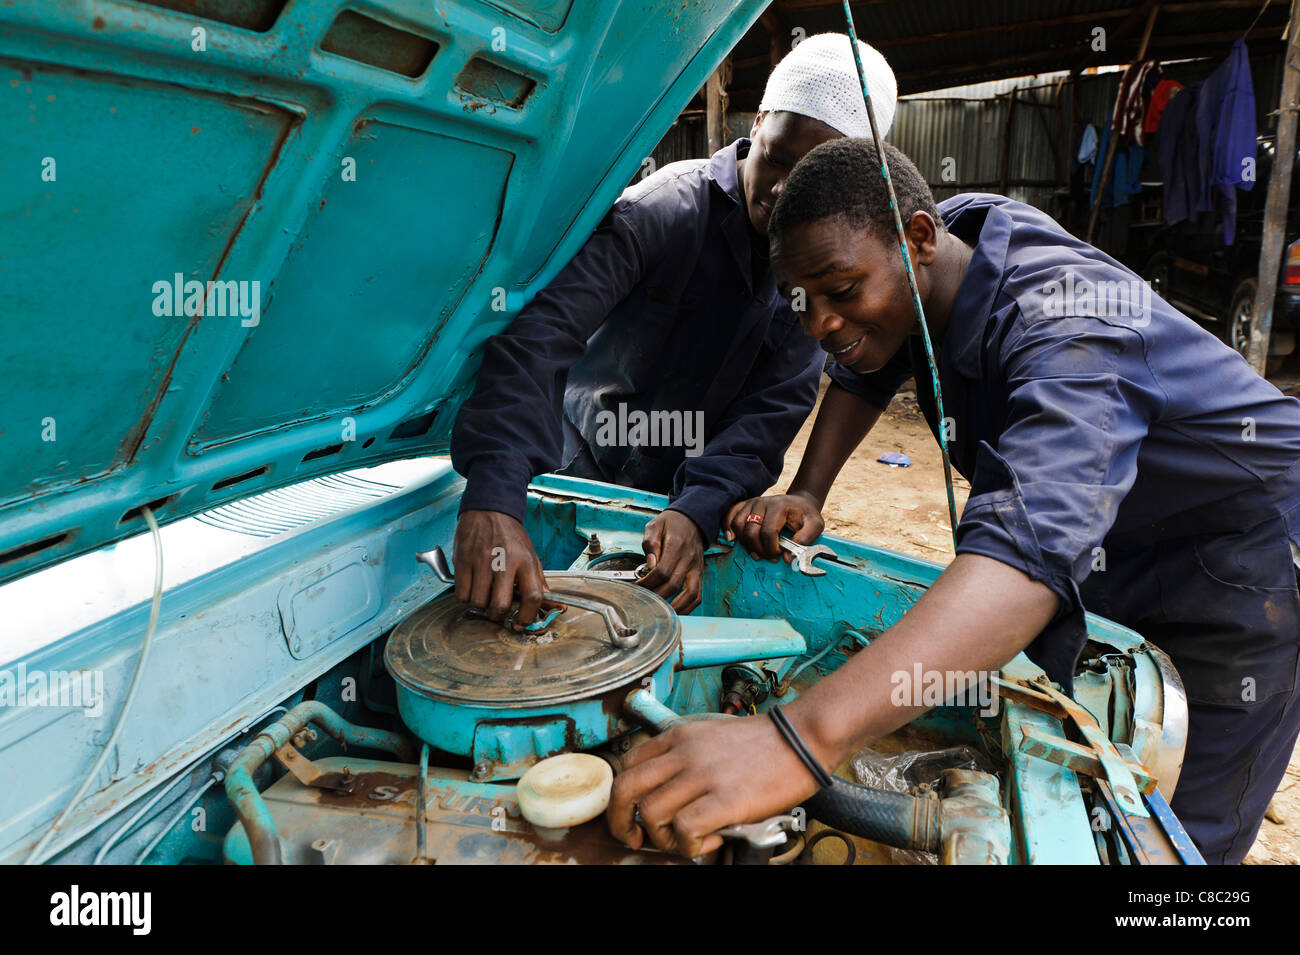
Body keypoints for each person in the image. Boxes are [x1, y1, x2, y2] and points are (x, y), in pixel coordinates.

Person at [607, 137, 1300, 865]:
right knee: (1076, 752)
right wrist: (810, 489)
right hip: (1110, 537)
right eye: (802, 304)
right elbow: (869, 365)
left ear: (918, 239)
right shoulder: (952, 236)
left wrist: (800, 739)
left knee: (1170, 829)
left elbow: (1026, 556)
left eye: (841, 293)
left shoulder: (1069, 331)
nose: (819, 327)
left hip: (1242, 563)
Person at [448, 36, 897, 626]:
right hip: (568, 472)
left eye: (812, 178)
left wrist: (699, 508)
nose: (785, 189)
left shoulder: (817, 275)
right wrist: (494, 491)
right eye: (779, 157)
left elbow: (767, 417)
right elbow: (542, 334)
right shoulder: (661, 212)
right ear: (758, 121)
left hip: (677, 499)